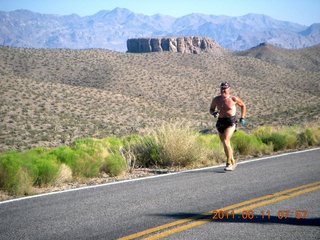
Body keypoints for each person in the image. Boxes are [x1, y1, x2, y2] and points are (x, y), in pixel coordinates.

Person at [209, 82, 246, 171]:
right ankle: (233, 161)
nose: (223, 90)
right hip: (220, 122)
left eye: (225, 88)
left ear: (229, 89)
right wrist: (213, 113)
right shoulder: (216, 99)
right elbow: (211, 109)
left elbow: (243, 105)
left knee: (226, 140)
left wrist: (242, 117)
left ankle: (228, 163)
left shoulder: (234, 99)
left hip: (231, 121)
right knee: (225, 143)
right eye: (222, 88)